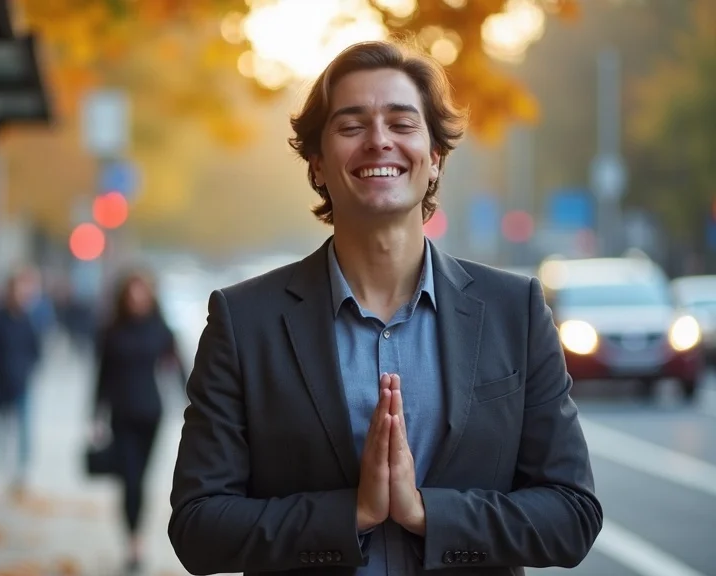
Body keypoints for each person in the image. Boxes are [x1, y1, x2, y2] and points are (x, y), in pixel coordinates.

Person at [168, 39, 602, 576]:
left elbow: (572, 514)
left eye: (401, 123)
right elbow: (197, 527)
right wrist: (350, 514)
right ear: (319, 165)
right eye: (352, 127)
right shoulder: (244, 322)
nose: (379, 141)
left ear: (435, 158)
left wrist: (429, 514)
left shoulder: (515, 311)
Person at [94, 270, 187, 573]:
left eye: (142, 294)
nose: (137, 300)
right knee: (129, 480)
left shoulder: (161, 330)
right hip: (120, 415)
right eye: (132, 294)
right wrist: (94, 414)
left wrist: (196, 406)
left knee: (141, 481)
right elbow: (102, 376)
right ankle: (133, 541)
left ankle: (137, 537)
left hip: (151, 414)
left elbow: (179, 370)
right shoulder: (112, 331)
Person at [0, 269, 44, 495]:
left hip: (21, 381)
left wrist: (27, 368)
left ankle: (19, 473)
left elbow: (36, 350)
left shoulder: (27, 319)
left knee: (22, 430)